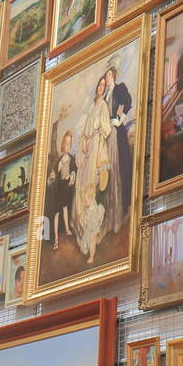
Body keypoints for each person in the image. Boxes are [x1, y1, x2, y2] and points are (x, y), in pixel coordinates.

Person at [76, 75, 114, 264]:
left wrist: (96, 137)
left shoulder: (103, 107)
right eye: (99, 84)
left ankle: (92, 237)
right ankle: (84, 232)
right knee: (83, 191)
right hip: (87, 150)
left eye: (103, 85)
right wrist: (84, 142)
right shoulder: (91, 107)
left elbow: (106, 129)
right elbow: (83, 131)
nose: (101, 87)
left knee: (92, 188)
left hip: (97, 148)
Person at [103, 65, 134, 227]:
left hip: (116, 133)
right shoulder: (104, 95)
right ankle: (110, 212)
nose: (107, 78)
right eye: (106, 75)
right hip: (106, 136)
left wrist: (119, 120)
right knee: (107, 171)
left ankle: (123, 208)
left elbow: (128, 104)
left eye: (109, 74)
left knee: (118, 167)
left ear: (114, 75)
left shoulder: (119, 89)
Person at [47, 129, 76, 250]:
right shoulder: (59, 159)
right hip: (59, 188)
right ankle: (56, 239)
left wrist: (73, 177)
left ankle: (68, 229)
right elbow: (54, 173)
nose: (68, 145)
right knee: (57, 213)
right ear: (63, 144)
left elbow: (74, 169)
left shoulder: (70, 157)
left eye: (70, 143)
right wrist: (53, 175)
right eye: (66, 143)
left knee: (65, 208)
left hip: (66, 186)